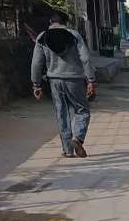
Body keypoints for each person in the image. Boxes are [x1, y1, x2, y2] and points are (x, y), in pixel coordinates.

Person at [31, 12, 97, 158]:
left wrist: (36, 84)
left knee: (62, 113)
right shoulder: (74, 35)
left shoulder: (42, 37)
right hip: (74, 79)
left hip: (54, 80)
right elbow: (85, 58)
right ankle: (78, 138)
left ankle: (68, 150)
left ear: (50, 21)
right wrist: (91, 80)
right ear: (66, 22)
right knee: (82, 110)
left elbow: (36, 63)